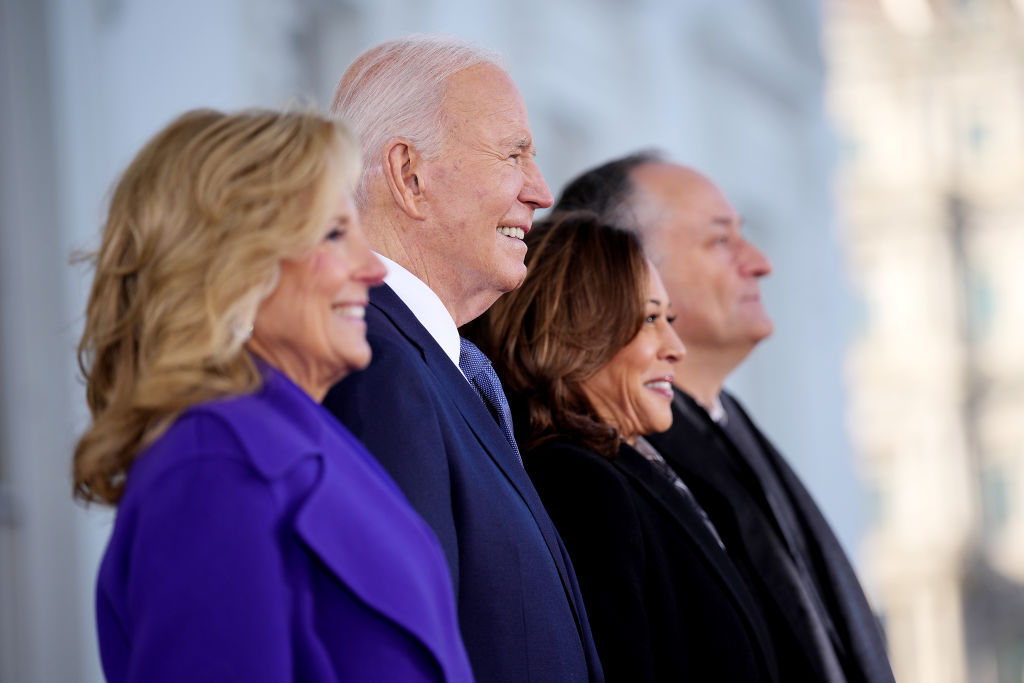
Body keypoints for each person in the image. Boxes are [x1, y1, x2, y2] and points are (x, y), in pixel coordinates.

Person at [73, 109, 474, 683]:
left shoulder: (302, 440)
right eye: (335, 234)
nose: (372, 271)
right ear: (232, 267)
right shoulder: (212, 465)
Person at [552, 152, 896, 683]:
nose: (760, 262)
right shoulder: (599, 466)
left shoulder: (730, 424)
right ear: (619, 266)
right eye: (720, 240)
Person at [321, 36, 602, 682]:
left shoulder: (433, 368)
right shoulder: (377, 368)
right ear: (409, 175)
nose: (541, 190)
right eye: (515, 154)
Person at [467, 211, 780, 681]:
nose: (675, 347)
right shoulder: (576, 482)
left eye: (668, 319)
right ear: (577, 330)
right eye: (650, 318)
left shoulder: (632, 466)